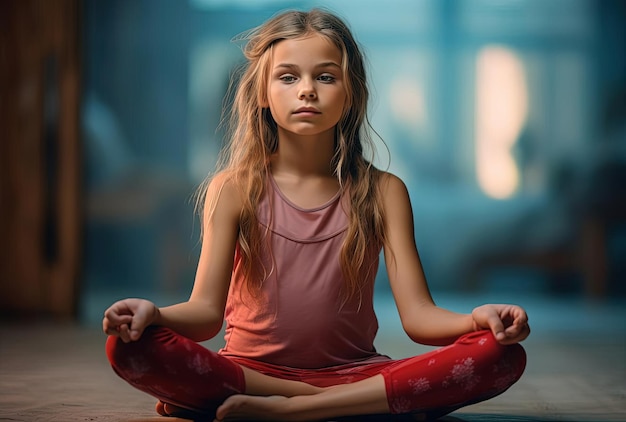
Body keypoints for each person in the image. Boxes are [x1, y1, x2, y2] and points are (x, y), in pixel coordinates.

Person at [103, 8, 530, 422]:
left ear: (351, 93)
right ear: (262, 95)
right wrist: (153, 314)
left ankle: (295, 409)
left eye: (325, 77)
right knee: (129, 347)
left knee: (502, 355)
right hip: (250, 373)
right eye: (288, 77)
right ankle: (360, 405)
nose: (307, 89)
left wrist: (478, 319)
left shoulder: (384, 191)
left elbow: (419, 317)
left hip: (357, 372)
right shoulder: (232, 189)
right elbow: (204, 313)